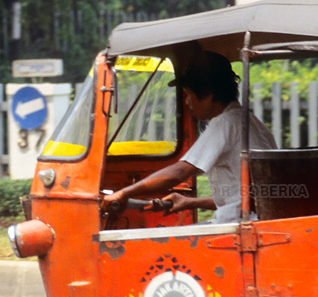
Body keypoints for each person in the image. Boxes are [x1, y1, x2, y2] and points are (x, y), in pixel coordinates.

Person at [100, 51, 276, 223]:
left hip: (238, 228)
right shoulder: (250, 121)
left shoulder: (224, 123)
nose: (187, 102)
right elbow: (238, 198)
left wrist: (124, 193)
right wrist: (189, 202)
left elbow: (178, 173)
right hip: (253, 220)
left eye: (189, 95)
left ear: (207, 95)